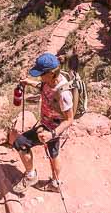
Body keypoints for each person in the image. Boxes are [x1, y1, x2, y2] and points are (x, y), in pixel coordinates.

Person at [12, 53, 74, 194]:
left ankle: (47, 181)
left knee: (51, 153)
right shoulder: (49, 81)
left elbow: (69, 119)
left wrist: (51, 134)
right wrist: (28, 82)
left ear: (51, 73)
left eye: (41, 74)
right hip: (45, 123)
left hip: (54, 128)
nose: (39, 77)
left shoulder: (63, 94)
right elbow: (42, 86)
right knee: (49, 152)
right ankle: (46, 180)